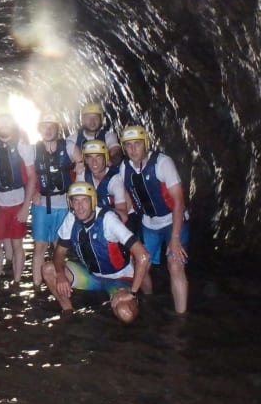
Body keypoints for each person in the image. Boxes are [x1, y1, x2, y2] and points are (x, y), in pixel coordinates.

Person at [42, 182, 150, 323]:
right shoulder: (71, 218)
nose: (80, 206)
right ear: (71, 203)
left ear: (93, 201)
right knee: (48, 269)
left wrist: (133, 293)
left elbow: (143, 256)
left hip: (120, 279)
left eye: (84, 200)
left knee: (126, 314)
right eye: (76, 200)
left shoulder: (108, 220)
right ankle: (69, 313)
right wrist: (61, 274)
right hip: (92, 276)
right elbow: (59, 253)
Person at [118, 125, 190, 314]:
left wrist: (174, 239)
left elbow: (178, 202)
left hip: (173, 220)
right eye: (129, 145)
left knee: (175, 264)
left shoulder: (162, 163)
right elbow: (125, 193)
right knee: (139, 264)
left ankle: (181, 316)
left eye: (137, 144)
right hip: (149, 223)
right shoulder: (124, 168)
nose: (133, 149)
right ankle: (148, 300)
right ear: (124, 148)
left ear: (145, 144)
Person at [0, 110, 37, 282]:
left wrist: (25, 208)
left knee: (17, 244)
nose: (4, 126)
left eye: (7, 122)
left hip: (17, 201)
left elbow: (31, 177)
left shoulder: (23, 146)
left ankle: (16, 280)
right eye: (1, 123)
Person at [30, 113, 76, 286]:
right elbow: (28, 174)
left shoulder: (69, 147)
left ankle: (59, 283)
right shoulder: (33, 149)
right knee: (39, 248)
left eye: (52, 127)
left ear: (57, 129)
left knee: (59, 248)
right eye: (44, 127)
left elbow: (81, 166)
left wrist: (75, 196)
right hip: (42, 205)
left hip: (63, 204)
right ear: (39, 129)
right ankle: (36, 286)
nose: (48, 131)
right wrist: (34, 191)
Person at [80, 139, 129, 223]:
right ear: (86, 160)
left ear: (105, 158)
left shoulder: (115, 180)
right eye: (90, 157)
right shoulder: (82, 175)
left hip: (122, 222)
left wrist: (97, 211)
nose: (94, 162)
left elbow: (124, 217)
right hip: (98, 220)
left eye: (98, 156)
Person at [72, 102, 123, 168]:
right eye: (88, 118)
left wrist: (111, 160)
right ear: (83, 120)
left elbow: (116, 152)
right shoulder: (73, 139)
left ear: (101, 120)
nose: (92, 121)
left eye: (96, 117)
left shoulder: (108, 136)